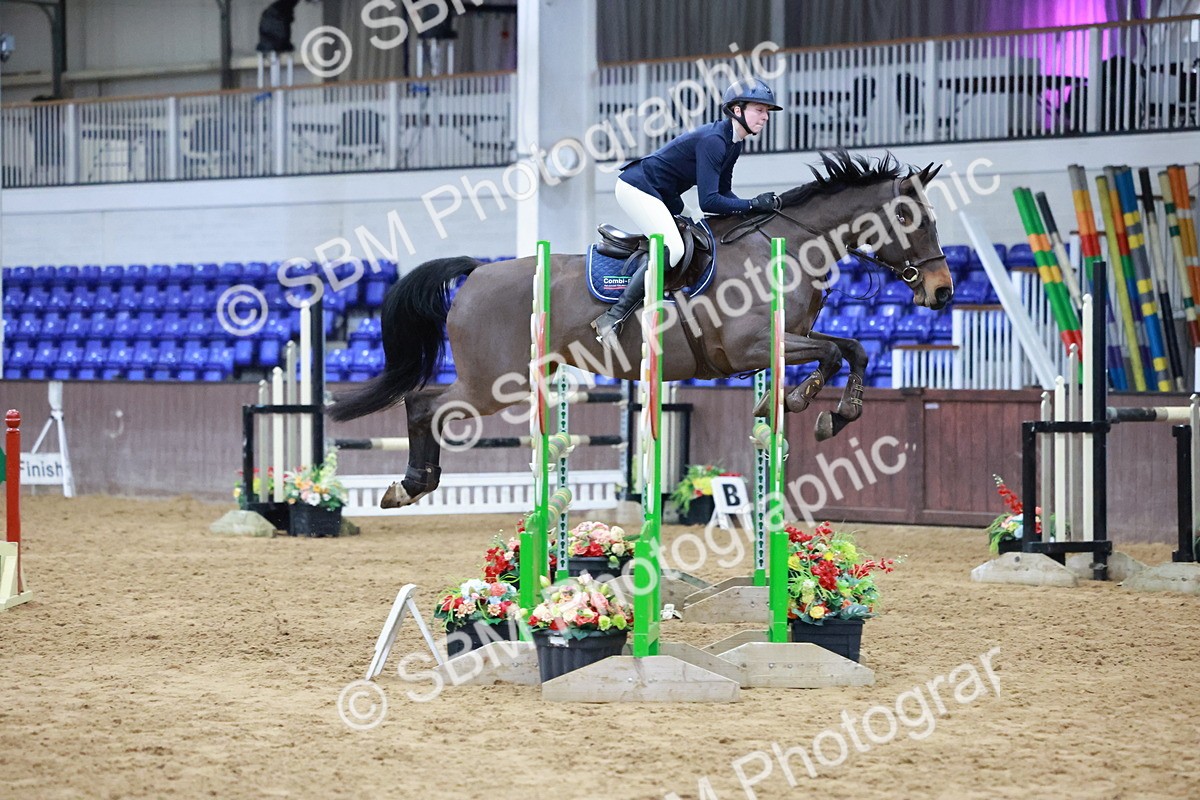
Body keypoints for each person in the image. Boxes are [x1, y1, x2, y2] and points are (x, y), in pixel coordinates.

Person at [591, 77, 783, 345]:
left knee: (700, 228)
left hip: (665, 194)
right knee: (674, 248)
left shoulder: (734, 143)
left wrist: (753, 214)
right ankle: (613, 317)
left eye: (767, 112)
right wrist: (752, 204)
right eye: (759, 110)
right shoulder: (715, 141)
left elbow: (724, 194)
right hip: (638, 187)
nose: (765, 117)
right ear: (737, 110)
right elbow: (710, 202)